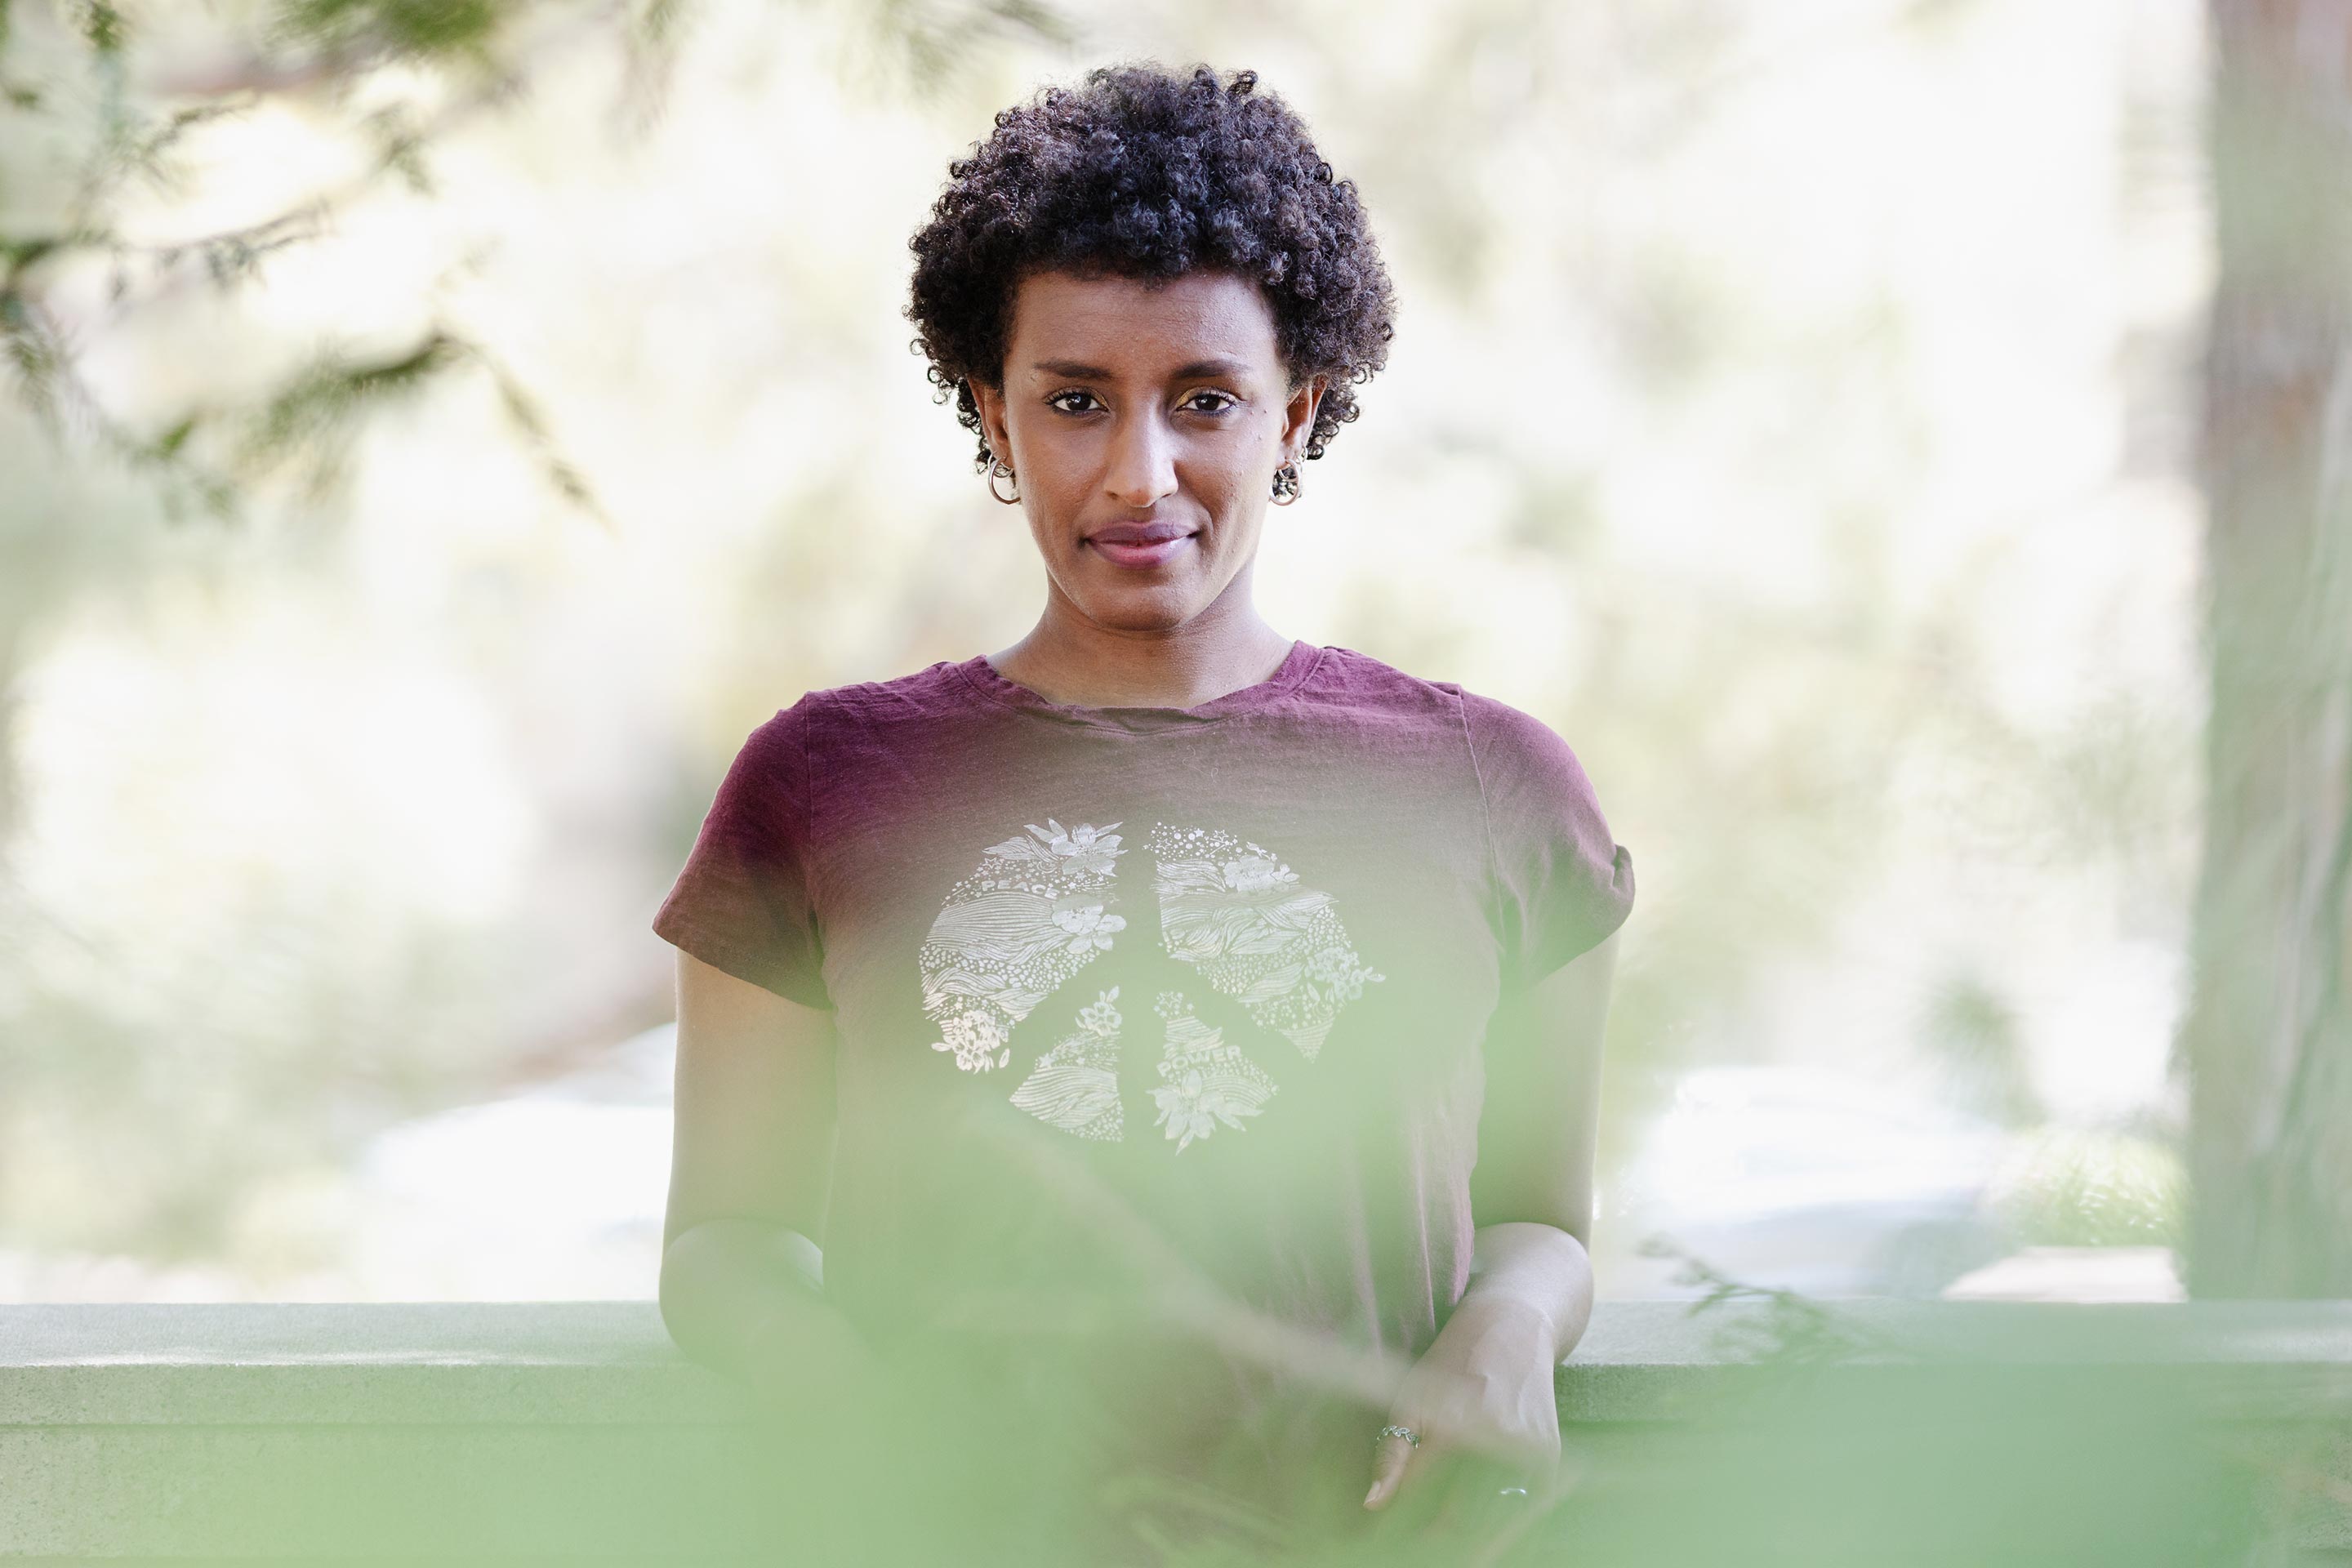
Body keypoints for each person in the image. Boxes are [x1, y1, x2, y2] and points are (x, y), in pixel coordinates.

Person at [653, 60, 1634, 1566]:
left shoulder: (1493, 790)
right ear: (994, 413)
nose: (1139, 473)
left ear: (1296, 413)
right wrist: (863, 1427)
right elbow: (724, 1246)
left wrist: (1512, 1325)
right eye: (1074, 402)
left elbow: (1541, 1222)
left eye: (1205, 401)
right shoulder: (821, 782)